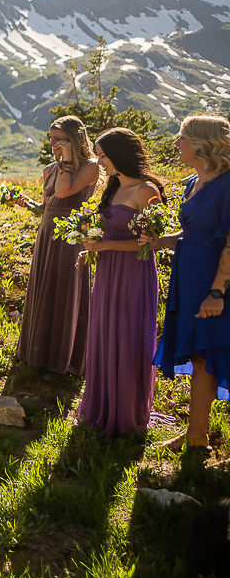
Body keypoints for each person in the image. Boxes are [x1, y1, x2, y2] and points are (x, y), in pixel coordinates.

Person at [151, 115, 230, 452]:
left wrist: (217, 292)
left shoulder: (228, 184)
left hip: (215, 278)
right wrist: (158, 241)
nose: (176, 143)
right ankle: (196, 435)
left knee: (216, 352)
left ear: (200, 143)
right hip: (188, 274)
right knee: (200, 355)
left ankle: (199, 435)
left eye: (181, 137)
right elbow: (191, 233)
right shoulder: (192, 182)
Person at [77, 128, 162, 435]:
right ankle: (102, 403)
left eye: (103, 155)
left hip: (134, 273)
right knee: (104, 332)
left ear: (120, 154)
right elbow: (105, 232)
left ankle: (126, 410)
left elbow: (149, 243)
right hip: (108, 270)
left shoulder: (146, 190)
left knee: (127, 335)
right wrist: (90, 247)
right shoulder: (112, 190)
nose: (99, 162)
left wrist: (106, 246)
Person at [13, 116, 99, 375]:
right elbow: (48, 204)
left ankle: (64, 358)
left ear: (73, 140)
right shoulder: (51, 169)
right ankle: (37, 352)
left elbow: (64, 192)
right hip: (48, 233)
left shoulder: (89, 167)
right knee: (45, 286)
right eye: (50, 139)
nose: (52, 144)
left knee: (65, 290)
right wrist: (27, 203)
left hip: (71, 236)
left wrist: (69, 160)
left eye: (59, 140)